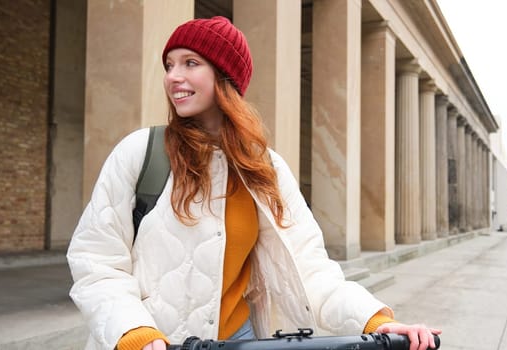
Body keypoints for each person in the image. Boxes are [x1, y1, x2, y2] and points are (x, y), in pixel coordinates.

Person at [67, 16, 441, 350]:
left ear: (225, 77)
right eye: (169, 65)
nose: (172, 77)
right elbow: (97, 262)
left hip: (242, 339)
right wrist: (134, 333)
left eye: (190, 63)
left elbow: (309, 268)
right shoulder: (141, 152)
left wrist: (377, 321)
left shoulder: (266, 169)